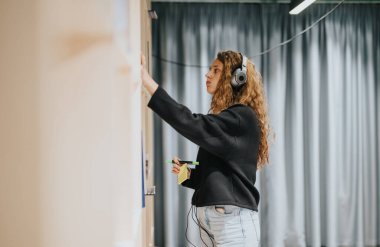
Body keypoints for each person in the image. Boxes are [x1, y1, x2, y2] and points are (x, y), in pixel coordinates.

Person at [141, 50, 269, 247]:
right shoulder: (229, 120)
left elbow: (191, 123)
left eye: (216, 70)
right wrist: (186, 173)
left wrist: (147, 82)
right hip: (219, 225)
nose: (208, 75)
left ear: (237, 78)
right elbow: (212, 177)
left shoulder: (242, 117)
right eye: (210, 70)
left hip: (234, 226)